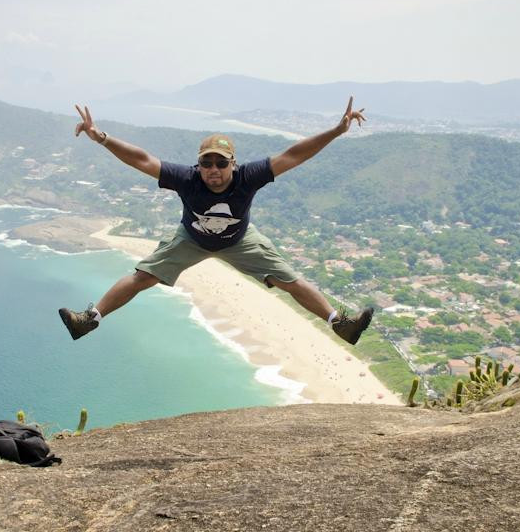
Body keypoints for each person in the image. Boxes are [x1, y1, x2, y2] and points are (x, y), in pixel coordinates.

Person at [58, 97, 374, 346]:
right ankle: (89, 320)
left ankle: (341, 325)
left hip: (240, 239)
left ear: (233, 164)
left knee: (288, 279)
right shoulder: (186, 178)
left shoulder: (249, 176)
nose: (213, 169)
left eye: (220, 163)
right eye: (206, 163)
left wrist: (336, 131)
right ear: (198, 165)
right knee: (143, 276)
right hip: (191, 238)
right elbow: (142, 160)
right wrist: (101, 138)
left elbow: (294, 155)